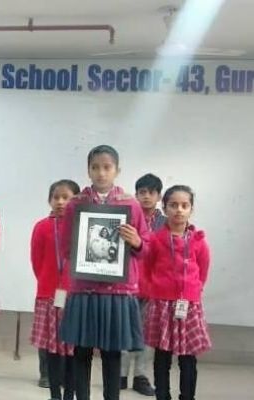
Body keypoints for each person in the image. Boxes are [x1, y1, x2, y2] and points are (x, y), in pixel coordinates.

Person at [59, 145, 149, 400]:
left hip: (117, 291)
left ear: (117, 170)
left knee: (112, 353)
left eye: (107, 167)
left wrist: (136, 242)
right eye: (95, 167)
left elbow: (146, 247)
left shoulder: (130, 204)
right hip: (84, 289)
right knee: (82, 351)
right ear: (88, 170)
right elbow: (66, 248)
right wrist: (81, 248)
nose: (101, 173)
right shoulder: (76, 204)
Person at [142, 185, 211, 400]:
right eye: (173, 205)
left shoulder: (198, 241)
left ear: (191, 209)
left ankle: (187, 396)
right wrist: (156, 289)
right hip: (162, 304)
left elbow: (203, 270)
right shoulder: (156, 240)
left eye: (184, 205)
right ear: (165, 208)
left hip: (188, 306)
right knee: (162, 356)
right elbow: (146, 268)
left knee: (188, 358)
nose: (179, 210)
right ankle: (162, 395)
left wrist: (192, 291)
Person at [31, 179, 80, 400]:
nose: (60, 202)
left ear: (75, 201)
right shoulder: (41, 227)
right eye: (56, 197)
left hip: (75, 296)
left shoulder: (81, 227)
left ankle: (69, 392)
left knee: (72, 349)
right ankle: (54, 393)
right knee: (51, 348)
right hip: (48, 294)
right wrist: (47, 281)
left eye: (66, 197)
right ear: (49, 200)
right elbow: (36, 260)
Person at [120, 173, 166, 396]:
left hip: (154, 286)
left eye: (151, 192)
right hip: (128, 283)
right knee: (123, 330)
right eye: (142, 192)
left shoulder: (166, 223)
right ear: (136, 194)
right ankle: (120, 375)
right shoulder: (127, 217)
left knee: (147, 334)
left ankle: (141, 376)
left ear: (159, 196)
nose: (146, 196)